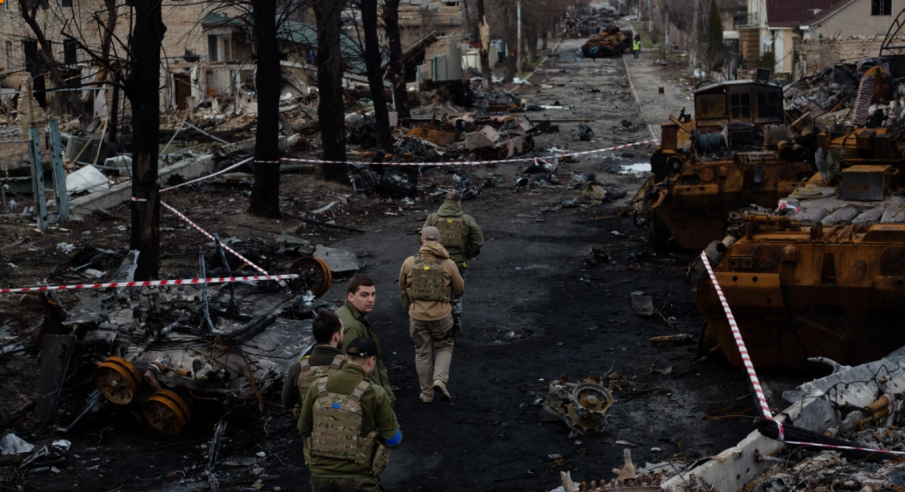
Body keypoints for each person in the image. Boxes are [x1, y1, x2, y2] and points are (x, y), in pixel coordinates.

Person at [299, 337, 402, 492]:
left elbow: (303, 428)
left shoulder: (318, 386)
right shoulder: (375, 392)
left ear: (346, 358)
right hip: (358, 478)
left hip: (320, 478)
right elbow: (393, 439)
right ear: (371, 360)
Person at [399, 226, 465, 403]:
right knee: (444, 346)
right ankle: (440, 380)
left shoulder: (409, 262)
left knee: (422, 353)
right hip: (442, 316)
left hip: (417, 316)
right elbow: (459, 288)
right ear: (439, 241)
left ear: (422, 240)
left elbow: (402, 285)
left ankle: (427, 394)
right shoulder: (448, 264)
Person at [422, 190, 483, 332]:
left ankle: (436, 323)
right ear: (458, 203)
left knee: (435, 292)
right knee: (456, 294)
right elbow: (478, 241)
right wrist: (466, 255)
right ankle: (455, 323)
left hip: (434, 263)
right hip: (457, 263)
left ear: (444, 202)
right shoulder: (467, 220)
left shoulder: (432, 218)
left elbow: (422, 238)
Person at [336, 274, 395, 403]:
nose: (371, 299)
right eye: (364, 295)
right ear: (351, 296)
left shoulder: (344, 312)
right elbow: (352, 367)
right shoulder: (353, 326)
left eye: (373, 294)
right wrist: (380, 394)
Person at [281, 310, 346, 418]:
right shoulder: (348, 366)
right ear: (336, 336)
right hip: (345, 431)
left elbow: (287, 402)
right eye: (342, 332)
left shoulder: (298, 368)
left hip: (310, 432)